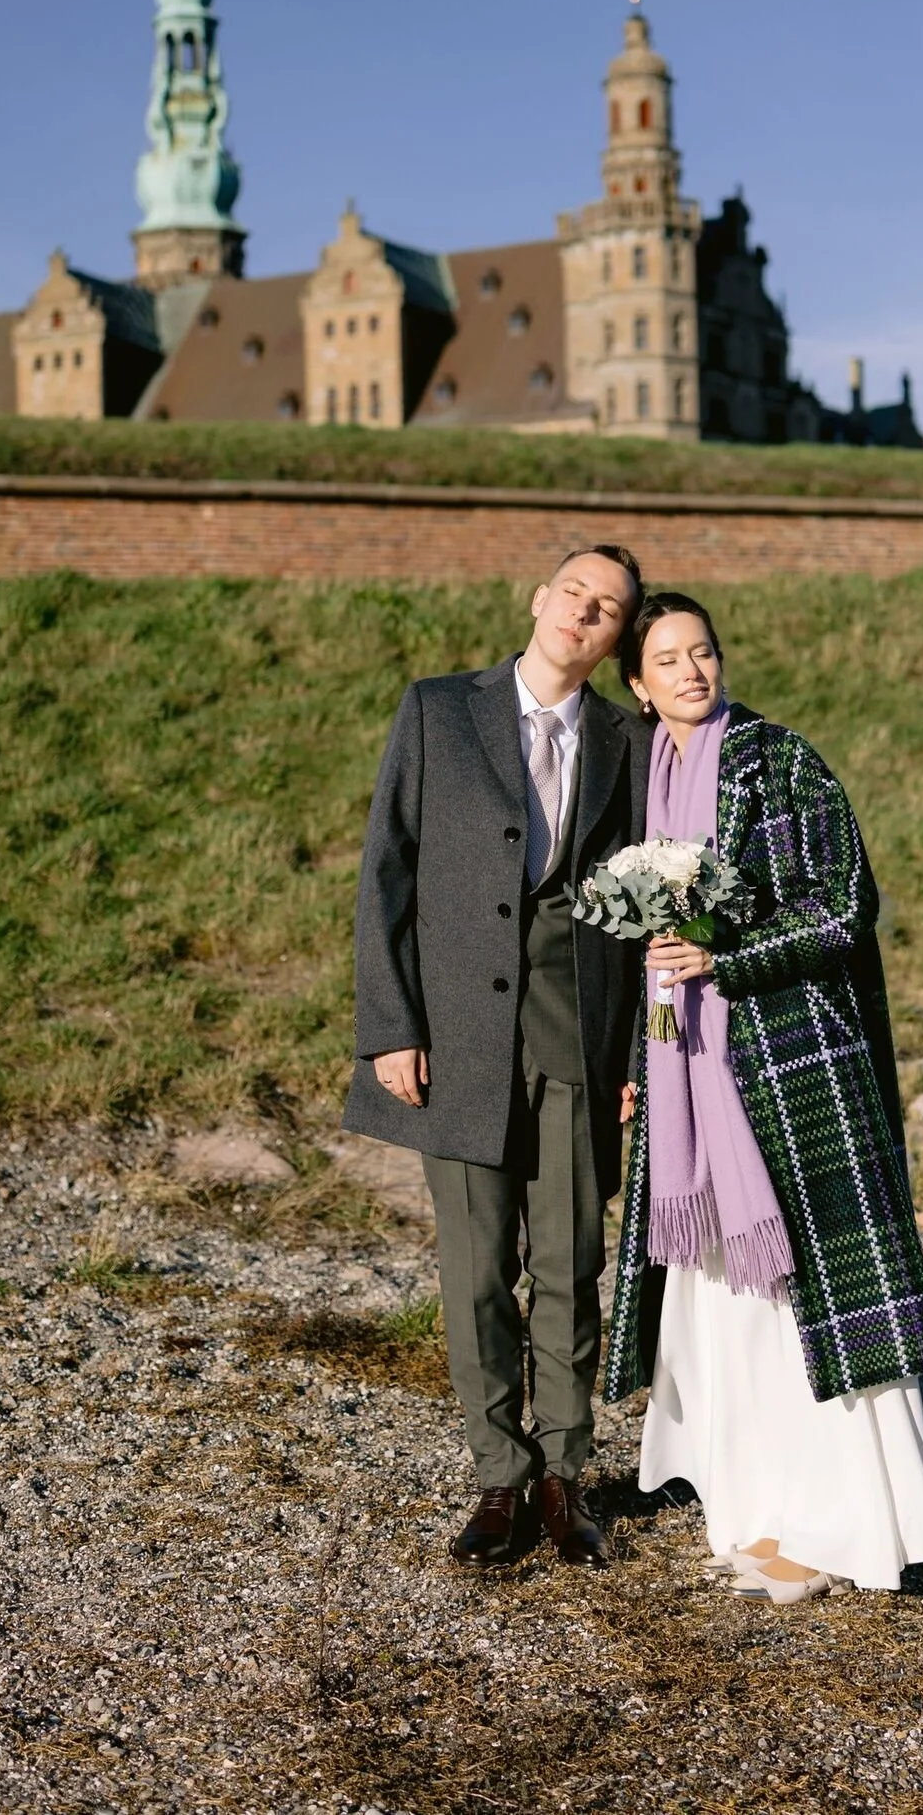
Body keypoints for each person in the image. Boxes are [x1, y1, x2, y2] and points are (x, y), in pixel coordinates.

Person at [602, 590, 923, 1603]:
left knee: (814, 1300)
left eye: (703, 650)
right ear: (637, 682)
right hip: (687, 1073)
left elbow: (843, 904)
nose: (692, 671)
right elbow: (648, 949)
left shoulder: (780, 757)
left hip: (791, 1065)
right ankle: (756, 1506)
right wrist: (641, 1052)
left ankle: (843, 1527)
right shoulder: (649, 776)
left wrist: (727, 951)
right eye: (667, 659)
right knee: (724, 1307)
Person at [345, 545, 650, 1569]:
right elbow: (385, 865)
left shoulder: (628, 740)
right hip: (456, 1036)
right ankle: (498, 1474)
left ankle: (566, 1473)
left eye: (607, 607)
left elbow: (642, 909)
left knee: (569, 1260)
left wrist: (635, 1052)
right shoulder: (437, 709)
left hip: (577, 1029)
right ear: (538, 597)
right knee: (477, 1268)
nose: (585, 611)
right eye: (575, 590)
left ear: (616, 637)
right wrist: (390, 1023)